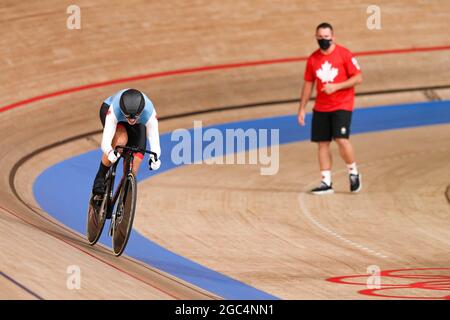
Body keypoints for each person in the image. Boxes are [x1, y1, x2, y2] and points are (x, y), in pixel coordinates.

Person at [297, 22, 362, 194]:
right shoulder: (313, 59)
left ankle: (353, 172)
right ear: (316, 37)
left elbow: (358, 78)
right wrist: (302, 108)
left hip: (342, 104)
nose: (323, 40)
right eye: (320, 37)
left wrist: (337, 86)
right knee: (322, 144)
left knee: (341, 139)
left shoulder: (344, 54)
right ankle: (326, 182)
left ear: (333, 37)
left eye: (326, 37)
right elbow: (308, 84)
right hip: (321, 107)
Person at [91, 88, 161, 198]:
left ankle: (123, 203)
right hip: (110, 112)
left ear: (141, 111)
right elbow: (105, 141)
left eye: (135, 117)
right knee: (121, 140)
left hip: (138, 123)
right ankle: (100, 176)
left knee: (134, 166)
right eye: (129, 117)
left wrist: (155, 158)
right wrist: (109, 152)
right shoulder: (115, 109)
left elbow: (154, 140)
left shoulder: (150, 113)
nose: (132, 120)